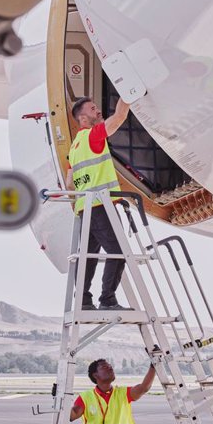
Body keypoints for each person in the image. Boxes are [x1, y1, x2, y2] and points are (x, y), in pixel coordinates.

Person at [66, 96, 131, 311]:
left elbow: (69, 185)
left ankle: (83, 300)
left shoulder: (74, 149)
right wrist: (128, 94)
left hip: (85, 209)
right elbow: (119, 117)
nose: (99, 111)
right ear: (83, 118)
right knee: (119, 250)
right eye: (94, 109)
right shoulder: (92, 136)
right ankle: (107, 300)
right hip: (101, 207)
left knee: (88, 257)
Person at [70, 358, 155, 424]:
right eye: (105, 367)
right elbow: (71, 416)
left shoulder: (123, 393)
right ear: (95, 375)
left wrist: (153, 365)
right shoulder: (85, 397)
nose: (110, 368)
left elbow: (143, 388)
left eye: (110, 366)